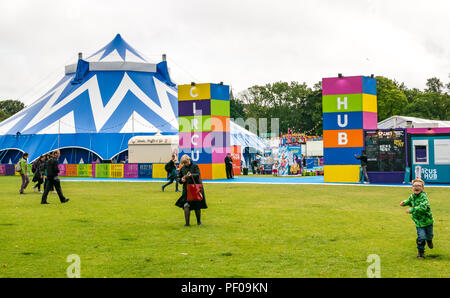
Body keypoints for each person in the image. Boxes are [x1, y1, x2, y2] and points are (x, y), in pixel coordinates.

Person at [400, 179, 434, 259]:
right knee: (421, 237)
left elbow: (423, 207)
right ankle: (421, 252)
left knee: (429, 235)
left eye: (419, 186)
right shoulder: (412, 196)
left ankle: (429, 241)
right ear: (412, 188)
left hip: (428, 221)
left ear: (422, 188)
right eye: (414, 186)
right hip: (419, 222)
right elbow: (409, 201)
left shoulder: (424, 197)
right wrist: (405, 203)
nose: (416, 187)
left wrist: (412, 210)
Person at [175, 155, 207, 226]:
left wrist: (191, 175)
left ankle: (199, 222)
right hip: (186, 190)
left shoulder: (195, 166)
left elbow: (198, 175)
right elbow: (178, 178)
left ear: (189, 160)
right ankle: (187, 224)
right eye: (184, 163)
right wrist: (181, 180)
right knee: (186, 205)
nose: (186, 164)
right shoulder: (182, 169)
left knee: (197, 206)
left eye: (186, 162)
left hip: (195, 188)